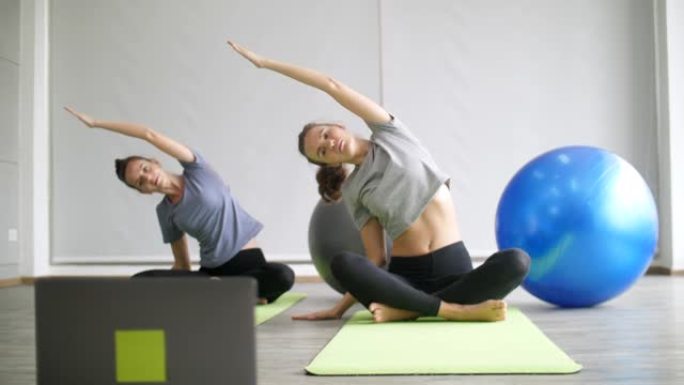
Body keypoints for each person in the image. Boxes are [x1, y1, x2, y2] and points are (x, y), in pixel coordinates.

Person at [228, 41, 530, 321]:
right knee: (344, 263)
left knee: (517, 261)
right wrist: (338, 309)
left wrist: (266, 63)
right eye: (322, 152)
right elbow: (376, 259)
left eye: (325, 135)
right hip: (406, 276)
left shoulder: (390, 133)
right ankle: (449, 308)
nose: (328, 144)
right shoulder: (353, 189)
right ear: (328, 163)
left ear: (338, 125)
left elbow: (330, 84)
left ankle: (411, 310)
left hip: (455, 269)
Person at [64, 106, 294, 303]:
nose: (147, 177)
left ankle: (229, 293)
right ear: (142, 192)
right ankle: (235, 294)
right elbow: (183, 265)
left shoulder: (198, 170)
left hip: (250, 266)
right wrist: (168, 284)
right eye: (139, 182)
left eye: (145, 169)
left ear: (155, 162)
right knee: (140, 281)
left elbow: (148, 134)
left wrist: (96, 123)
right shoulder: (165, 212)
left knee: (283, 275)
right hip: (211, 274)